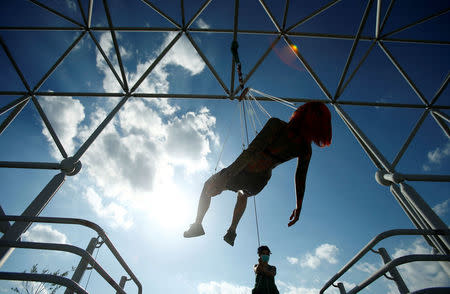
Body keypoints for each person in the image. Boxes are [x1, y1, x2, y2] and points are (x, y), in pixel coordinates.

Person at [184, 102, 332, 246]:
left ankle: (197, 224)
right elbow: (301, 178)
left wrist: (225, 177)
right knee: (243, 194)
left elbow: (251, 152)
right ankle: (232, 230)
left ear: (300, 114)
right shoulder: (305, 149)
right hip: (259, 182)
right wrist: (298, 208)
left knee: (208, 185)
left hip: (243, 171)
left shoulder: (277, 125)